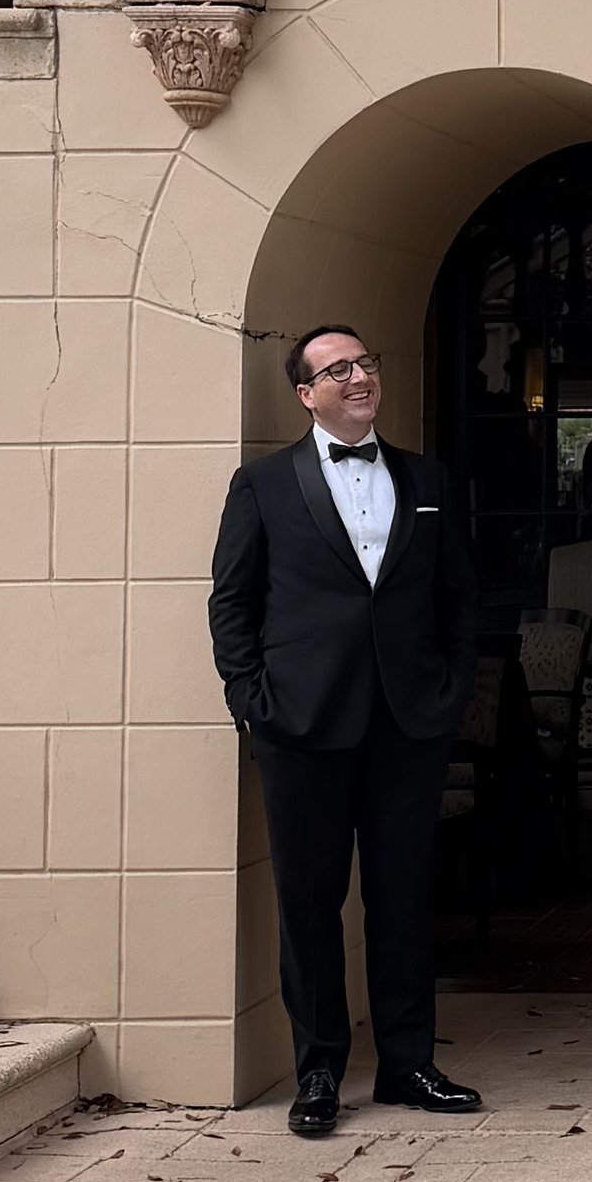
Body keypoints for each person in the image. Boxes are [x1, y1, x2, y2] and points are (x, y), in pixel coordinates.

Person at [207, 324, 485, 1138]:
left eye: (367, 363)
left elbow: (458, 598)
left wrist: (449, 690)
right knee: (308, 901)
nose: (359, 377)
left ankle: (407, 1065)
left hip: (408, 723)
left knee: (402, 898)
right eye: (339, 370)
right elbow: (233, 601)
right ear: (306, 393)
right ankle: (320, 1069)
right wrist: (251, 697)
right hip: (301, 722)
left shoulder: (428, 478)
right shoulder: (262, 483)